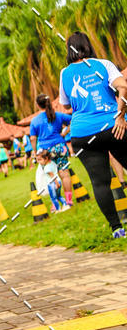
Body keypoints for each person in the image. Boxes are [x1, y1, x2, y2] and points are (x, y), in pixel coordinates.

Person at [59, 31, 127, 238]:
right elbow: (123, 87)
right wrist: (120, 116)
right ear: (87, 45)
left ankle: (117, 229)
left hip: (82, 134)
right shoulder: (103, 64)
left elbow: (65, 105)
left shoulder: (65, 73)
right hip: (113, 127)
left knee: (99, 182)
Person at [29, 93, 73, 205]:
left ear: (38, 105)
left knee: (51, 176)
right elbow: (73, 120)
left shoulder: (35, 121)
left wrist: (34, 152)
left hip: (45, 151)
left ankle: (56, 203)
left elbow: (33, 138)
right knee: (64, 173)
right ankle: (69, 200)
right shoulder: (58, 115)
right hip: (60, 147)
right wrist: (64, 133)